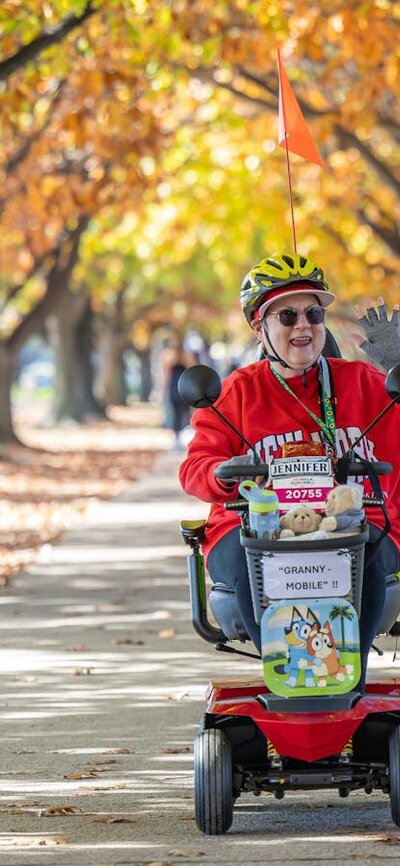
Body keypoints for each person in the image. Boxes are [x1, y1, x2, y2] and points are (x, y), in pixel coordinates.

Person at [179, 252, 400, 688]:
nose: (303, 325)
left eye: (313, 313)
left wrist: (396, 365)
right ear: (259, 326)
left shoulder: (367, 383)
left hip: (358, 527)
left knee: (367, 561)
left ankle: (345, 685)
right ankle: (295, 682)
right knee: (254, 567)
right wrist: (227, 472)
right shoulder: (235, 393)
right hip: (255, 529)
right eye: (287, 315)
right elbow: (195, 468)